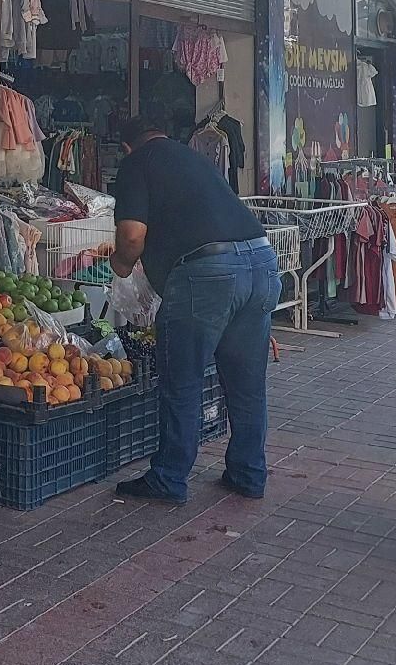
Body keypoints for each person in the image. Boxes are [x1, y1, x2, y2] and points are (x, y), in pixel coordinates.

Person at [107, 115, 280, 503]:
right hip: (262, 263)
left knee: (182, 381)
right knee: (248, 386)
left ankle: (168, 478)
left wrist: (120, 264)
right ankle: (249, 474)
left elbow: (133, 236)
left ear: (127, 148)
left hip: (208, 274)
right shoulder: (191, 158)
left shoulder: (138, 162)